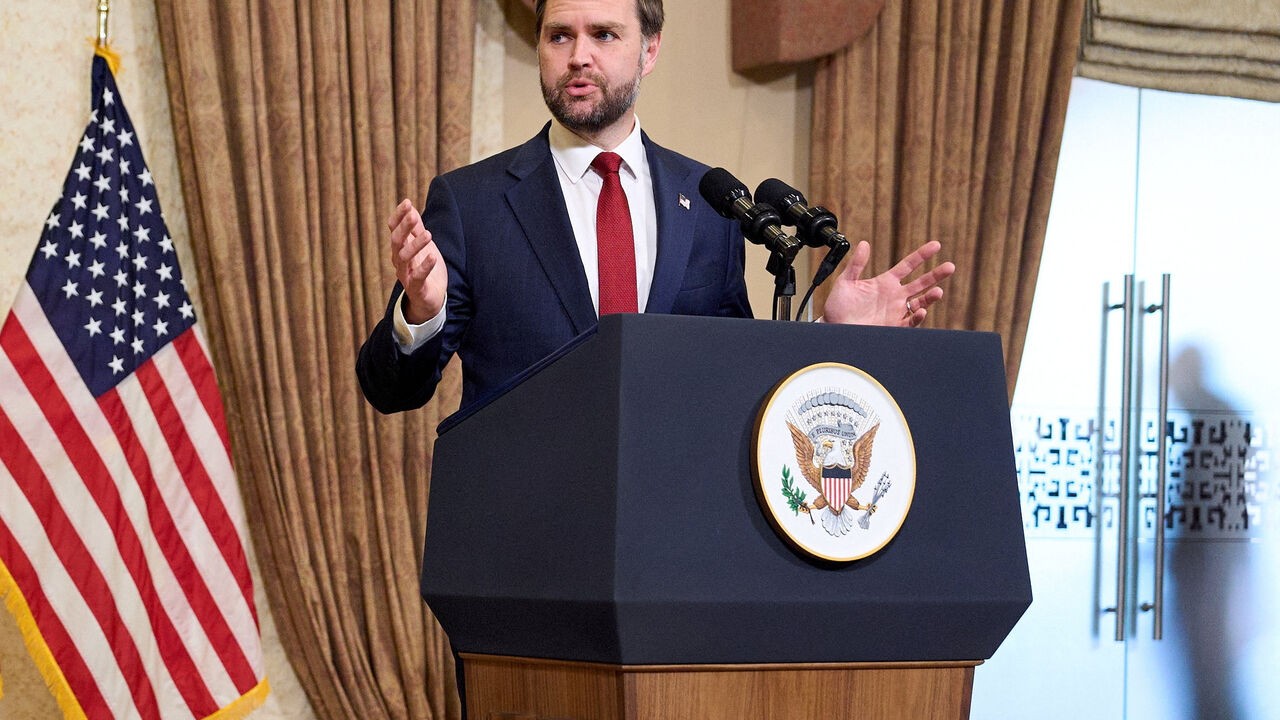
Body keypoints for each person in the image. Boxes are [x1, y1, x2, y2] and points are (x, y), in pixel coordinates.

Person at [357, 0, 955, 416]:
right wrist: (421, 313)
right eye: (559, 36)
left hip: (672, 542)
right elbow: (390, 390)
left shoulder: (711, 200)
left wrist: (832, 337)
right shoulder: (472, 204)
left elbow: (735, 380)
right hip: (523, 544)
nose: (578, 56)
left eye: (604, 35)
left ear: (650, 50)